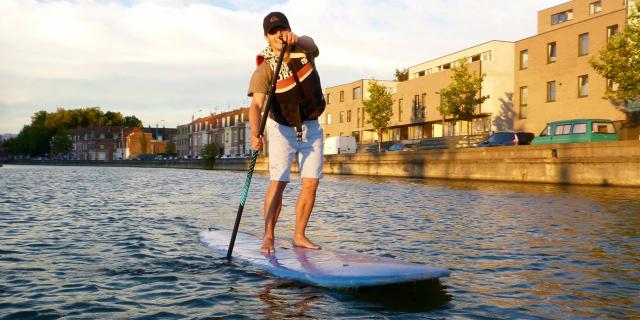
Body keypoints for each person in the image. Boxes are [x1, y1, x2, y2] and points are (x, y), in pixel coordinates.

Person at [247, 12, 326, 255]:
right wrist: (254, 133)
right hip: (281, 129)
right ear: (266, 37)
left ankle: (299, 236)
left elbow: (311, 43)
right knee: (278, 182)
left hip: (311, 127)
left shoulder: (305, 50)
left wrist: (298, 39)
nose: (278, 34)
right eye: (273, 32)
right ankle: (268, 236)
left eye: (282, 29)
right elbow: (256, 107)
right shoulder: (265, 69)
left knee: (311, 183)